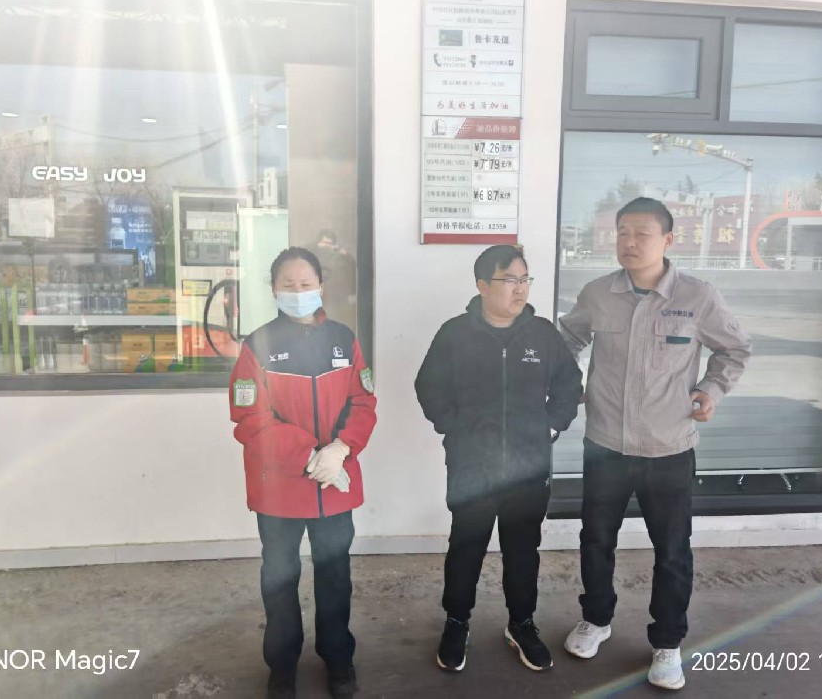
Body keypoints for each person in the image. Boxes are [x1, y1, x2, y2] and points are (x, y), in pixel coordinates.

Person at [558, 197, 752, 690]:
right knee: (596, 540)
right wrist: (566, 381)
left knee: (671, 550)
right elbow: (568, 340)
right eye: (623, 232)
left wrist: (710, 390)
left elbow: (734, 349)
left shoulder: (698, 296)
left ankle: (667, 643)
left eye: (642, 233)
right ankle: (596, 619)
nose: (630, 242)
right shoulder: (598, 293)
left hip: (669, 449)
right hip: (606, 444)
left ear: (667, 239)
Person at [414, 245, 583, 674]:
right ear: (482, 285)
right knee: (465, 547)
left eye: (525, 280)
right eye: (510, 280)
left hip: (527, 468)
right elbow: (428, 386)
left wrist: (551, 427)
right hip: (472, 466)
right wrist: (454, 428)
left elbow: (570, 383)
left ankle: (521, 623)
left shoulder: (542, 335)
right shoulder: (455, 334)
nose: (520, 289)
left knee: (523, 550)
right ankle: (456, 622)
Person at [228, 247, 377, 699]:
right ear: (274, 290)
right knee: (279, 578)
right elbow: (249, 418)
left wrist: (341, 448)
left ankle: (338, 659)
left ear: (321, 286)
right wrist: (312, 456)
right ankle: (282, 666)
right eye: (288, 285)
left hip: (335, 481)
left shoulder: (343, 339)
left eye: (306, 283)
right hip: (280, 488)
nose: (298, 292)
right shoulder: (257, 345)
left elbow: (363, 401)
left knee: (335, 576)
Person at [307, 229, 357, 328]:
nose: (326, 246)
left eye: (329, 244)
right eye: (324, 243)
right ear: (318, 243)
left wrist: (346, 256)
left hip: (334, 297)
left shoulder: (341, 256)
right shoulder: (310, 254)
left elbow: (351, 272)